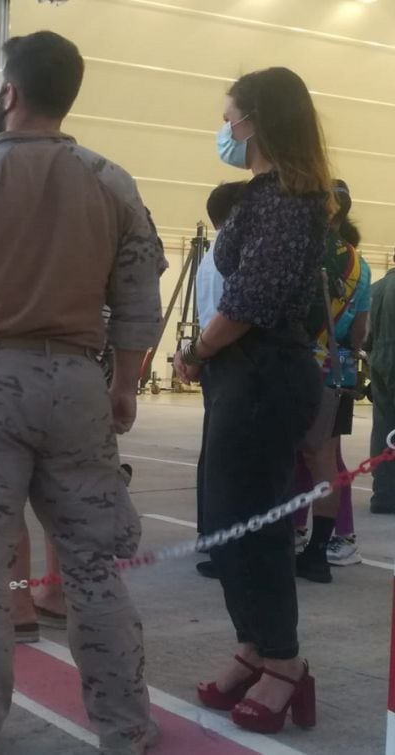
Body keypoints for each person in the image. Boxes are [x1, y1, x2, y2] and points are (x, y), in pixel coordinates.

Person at [0, 32, 165, 754]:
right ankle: (124, 723)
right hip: (80, 381)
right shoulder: (112, 182)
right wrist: (124, 381)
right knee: (92, 566)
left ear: (9, 93)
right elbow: (139, 296)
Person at [175, 66, 331, 734]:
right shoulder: (262, 195)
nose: (226, 128)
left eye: (231, 115)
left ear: (258, 120)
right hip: (243, 373)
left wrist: (199, 348)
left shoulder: (290, 199)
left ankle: (285, 662)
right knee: (223, 516)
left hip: (266, 371)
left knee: (255, 522)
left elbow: (253, 299)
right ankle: (253, 644)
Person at [293, 179, 370, 581]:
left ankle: (289, 534)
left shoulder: (302, 250)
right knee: (326, 459)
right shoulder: (360, 263)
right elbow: (359, 332)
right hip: (337, 371)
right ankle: (320, 550)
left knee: (288, 456)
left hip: (298, 365)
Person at [192, 181, 250, 580]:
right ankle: (227, 548)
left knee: (216, 453)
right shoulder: (232, 257)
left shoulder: (211, 257)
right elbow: (233, 316)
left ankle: (213, 537)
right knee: (232, 458)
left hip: (216, 359)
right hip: (232, 358)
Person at [368, 248, 395, 514]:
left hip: (379, 362)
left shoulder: (376, 289)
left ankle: (384, 495)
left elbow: (364, 336)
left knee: (384, 428)